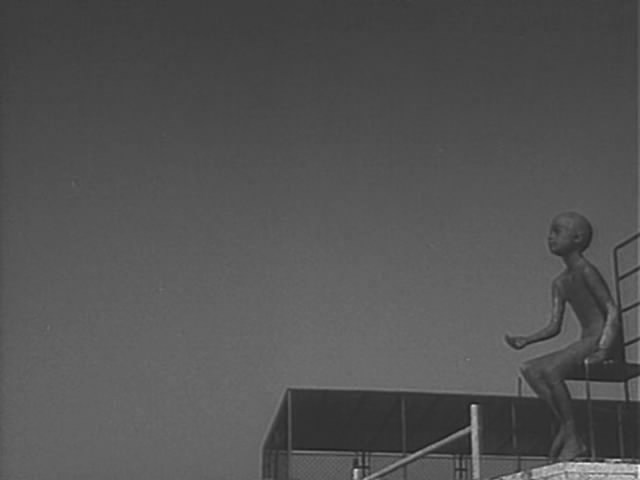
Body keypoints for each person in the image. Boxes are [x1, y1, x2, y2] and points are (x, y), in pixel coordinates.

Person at [505, 212, 620, 462]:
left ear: (577, 238)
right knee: (529, 369)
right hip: (584, 340)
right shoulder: (560, 282)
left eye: (557, 231)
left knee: (551, 371)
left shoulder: (586, 271)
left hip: (598, 338)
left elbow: (611, 309)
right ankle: (570, 430)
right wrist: (527, 340)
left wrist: (604, 348)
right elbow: (554, 326)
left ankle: (572, 435)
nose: (550, 237)